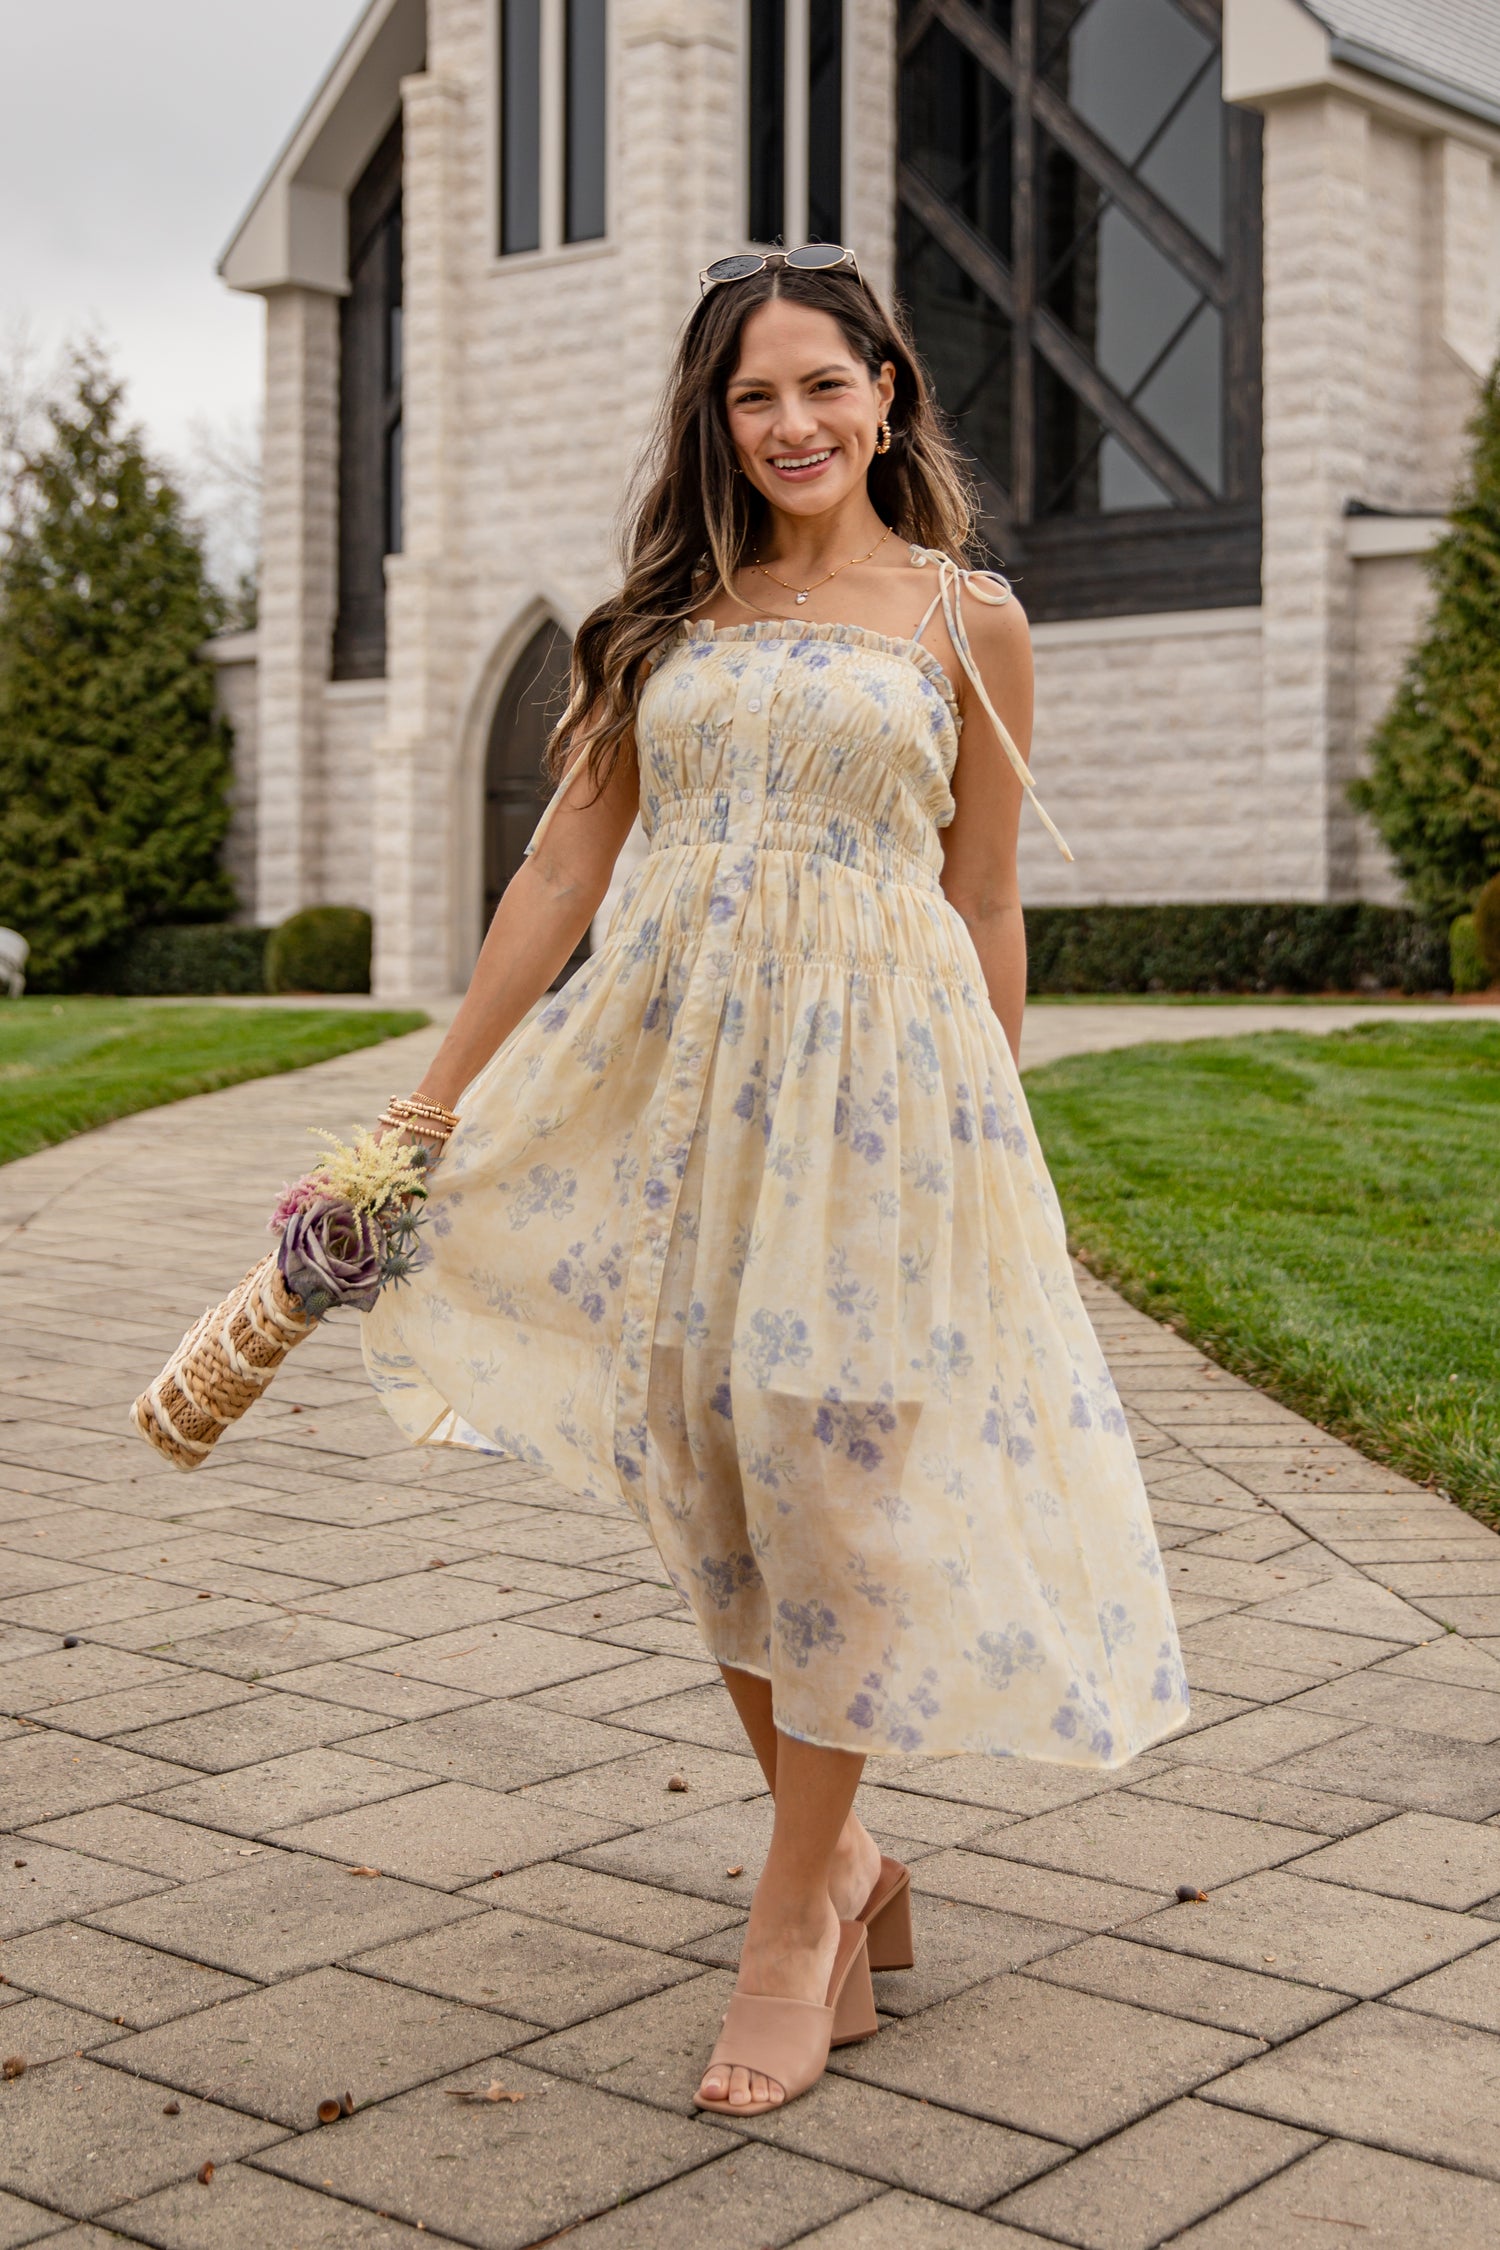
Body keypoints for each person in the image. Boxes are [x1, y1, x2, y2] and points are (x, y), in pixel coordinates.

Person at [363, 244, 1189, 2117]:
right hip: (685, 1086)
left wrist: (1002, 1137)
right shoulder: (665, 623)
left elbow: (983, 891)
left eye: (825, 384)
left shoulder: (966, 622)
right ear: (715, 422)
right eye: (754, 396)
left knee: (839, 1471)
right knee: (714, 1456)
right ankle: (849, 1854)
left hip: (892, 1099)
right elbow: (563, 874)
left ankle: (793, 1915)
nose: (793, 423)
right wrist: (427, 1107)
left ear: (888, 391)